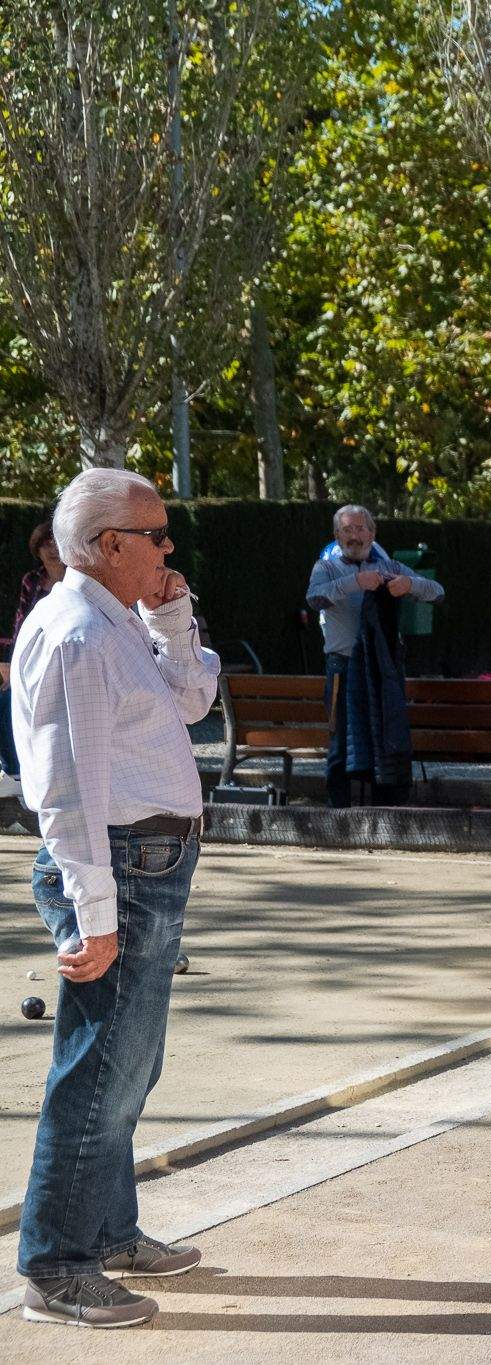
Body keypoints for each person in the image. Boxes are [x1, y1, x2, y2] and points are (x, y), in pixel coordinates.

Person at [12, 468, 220, 1328]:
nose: (168, 548)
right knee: (99, 1071)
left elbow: (194, 698)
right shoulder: (76, 634)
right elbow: (65, 788)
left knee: (128, 1067)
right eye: (157, 535)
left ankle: (108, 1229)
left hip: (147, 865)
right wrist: (93, 910)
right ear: (108, 547)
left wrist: (172, 615)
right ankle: (58, 1264)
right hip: (122, 871)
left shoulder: (116, 622)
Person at [306, 504, 446, 807]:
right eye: (347, 530)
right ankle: (337, 814)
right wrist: (355, 583)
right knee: (341, 744)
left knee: (385, 740)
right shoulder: (326, 568)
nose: (354, 536)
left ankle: (386, 811)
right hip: (342, 668)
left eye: (360, 529)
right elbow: (315, 598)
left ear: (372, 533)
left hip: (382, 671)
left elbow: (437, 592)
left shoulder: (390, 567)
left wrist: (410, 585)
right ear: (336, 535)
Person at [1, 521, 64, 796]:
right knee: (5, 697)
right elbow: (21, 625)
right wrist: (10, 664)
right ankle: (13, 769)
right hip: (31, 657)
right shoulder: (32, 580)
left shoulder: (76, 580)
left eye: (55, 542)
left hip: (61, 656)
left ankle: (17, 771)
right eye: (44, 544)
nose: (51, 549)